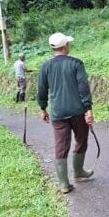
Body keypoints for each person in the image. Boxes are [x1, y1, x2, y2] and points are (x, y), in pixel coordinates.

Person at [37, 32, 94, 194]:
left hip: (58, 113)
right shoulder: (76, 63)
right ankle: (78, 172)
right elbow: (83, 87)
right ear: (66, 46)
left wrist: (42, 108)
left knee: (61, 146)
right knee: (81, 139)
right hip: (77, 110)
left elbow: (42, 90)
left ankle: (64, 184)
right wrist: (88, 109)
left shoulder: (46, 67)